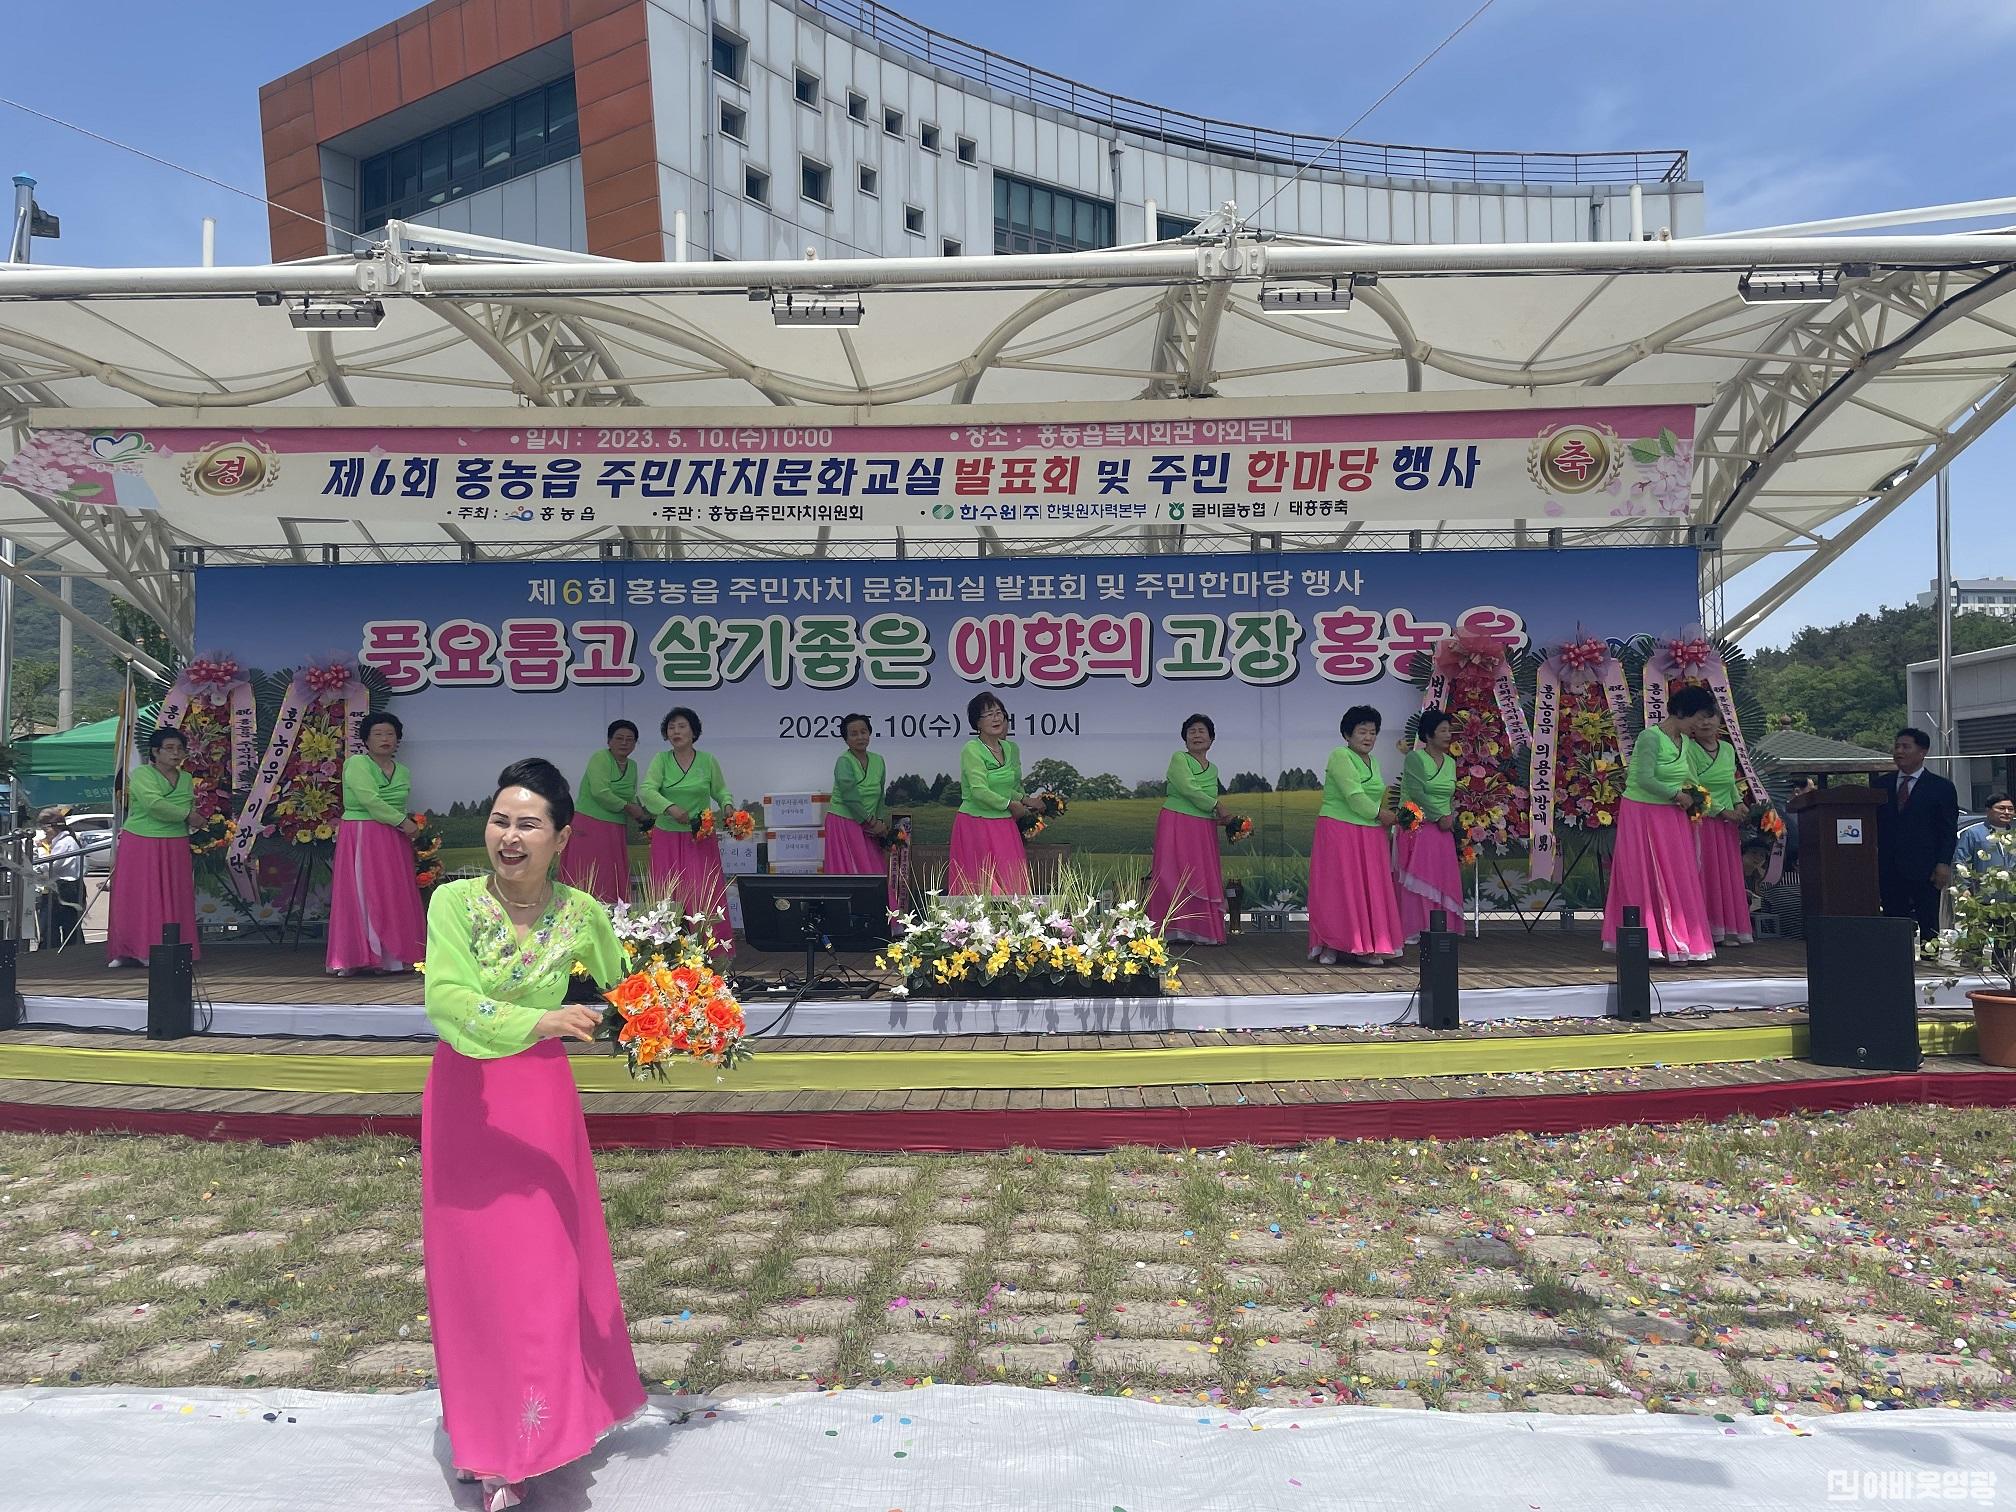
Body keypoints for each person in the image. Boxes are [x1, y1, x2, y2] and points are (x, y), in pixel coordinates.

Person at [420, 758, 643, 1512]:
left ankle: (540, 1433)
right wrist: (541, 1019)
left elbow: (626, 988)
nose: (509, 838)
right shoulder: (454, 903)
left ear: (561, 838)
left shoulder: (582, 914)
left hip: (542, 1102)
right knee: (477, 1277)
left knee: (545, 1271)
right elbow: (447, 999)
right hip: (469, 1103)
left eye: (527, 825)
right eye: (499, 821)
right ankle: (489, 1442)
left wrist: (683, 1010)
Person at [1602, 683, 1719, 963]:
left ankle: (1680, 940)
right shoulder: (1650, 737)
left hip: (1672, 815)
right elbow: (1644, 778)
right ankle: (1651, 942)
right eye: (1697, 717)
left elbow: (1689, 778)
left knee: (1679, 875)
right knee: (1644, 875)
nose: (1700, 724)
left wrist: (1701, 800)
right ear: (1681, 712)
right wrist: (1676, 794)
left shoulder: (1686, 742)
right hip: (1642, 813)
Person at [327, 712, 427, 977]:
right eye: (378, 734)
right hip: (363, 832)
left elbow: (398, 801)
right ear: (366, 740)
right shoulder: (357, 763)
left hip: (393, 837)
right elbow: (369, 800)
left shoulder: (402, 770)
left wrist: (401, 823)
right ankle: (361, 956)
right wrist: (403, 822)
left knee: (393, 891)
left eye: (390, 734)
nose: (385, 739)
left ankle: (395, 957)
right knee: (364, 890)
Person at [1308, 704, 1404, 966]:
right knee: (1339, 888)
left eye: (1373, 732)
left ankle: (1368, 947)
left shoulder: (1374, 761)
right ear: (1347, 734)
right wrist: (1382, 814)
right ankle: (1331, 945)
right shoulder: (1340, 755)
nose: (1368, 737)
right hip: (1340, 829)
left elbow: (1372, 797)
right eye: (1362, 732)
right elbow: (1354, 796)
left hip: (1370, 832)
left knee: (1370, 889)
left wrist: (1386, 818)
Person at [105, 726, 201, 967]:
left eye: (180, 748)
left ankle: (172, 947)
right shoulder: (142, 774)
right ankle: (130, 949)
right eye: (169, 748)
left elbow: (180, 804)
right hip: (142, 840)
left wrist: (182, 813)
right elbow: (154, 804)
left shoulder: (186, 778)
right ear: (155, 752)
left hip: (176, 841)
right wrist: (187, 815)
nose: (176, 753)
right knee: (139, 896)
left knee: (176, 896)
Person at [640, 706, 733, 944]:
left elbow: (720, 790)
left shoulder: (707, 760)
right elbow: (647, 790)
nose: (676, 732)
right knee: (665, 894)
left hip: (699, 836)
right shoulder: (661, 760)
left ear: (694, 732)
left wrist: (728, 806)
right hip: (667, 836)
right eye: (671, 728)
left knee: (704, 892)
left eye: (682, 726)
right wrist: (670, 807)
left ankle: (711, 949)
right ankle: (664, 949)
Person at [1146, 713, 1232, 944]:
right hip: (1177, 821)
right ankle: (1170, 930)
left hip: (1203, 827)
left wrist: (1221, 818)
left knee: (1201, 874)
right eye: (1191, 732)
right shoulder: (1179, 758)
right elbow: (1188, 788)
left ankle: (1201, 931)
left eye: (1202, 731)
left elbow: (1207, 796)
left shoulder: (1213, 769)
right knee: (1171, 872)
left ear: (1211, 739)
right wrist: (1217, 806)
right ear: (1185, 739)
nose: (1196, 735)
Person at [1873, 727, 1960, 949]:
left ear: (1922, 752)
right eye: (1896, 746)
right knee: (1894, 920)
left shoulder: (1941, 787)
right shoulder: (1881, 785)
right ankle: (1896, 959)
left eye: (1905, 747)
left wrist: (1943, 863)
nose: (1899, 751)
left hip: (1926, 867)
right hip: (1889, 866)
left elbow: (1947, 829)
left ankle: (1930, 962)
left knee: (1928, 921)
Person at [948, 691, 1031, 895]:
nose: (996, 718)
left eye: (999, 712)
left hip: (1004, 822)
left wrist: (1025, 800)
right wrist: (1010, 805)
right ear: (977, 722)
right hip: (975, 823)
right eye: (989, 714)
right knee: (979, 886)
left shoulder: (1010, 748)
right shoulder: (972, 749)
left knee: (1013, 882)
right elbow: (979, 790)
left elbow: (1006, 787)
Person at [1394, 707, 1465, 944]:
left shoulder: (1450, 762)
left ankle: (1442, 926)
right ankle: (1416, 927)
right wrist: (1439, 816)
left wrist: (1450, 817)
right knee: (1420, 876)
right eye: (1443, 730)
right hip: (1418, 825)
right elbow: (1417, 792)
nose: (1448, 735)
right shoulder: (1415, 758)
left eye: (1449, 730)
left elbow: (1449, 795)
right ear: (1428, 734)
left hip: (1443, 828)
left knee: (1442, 877)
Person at [1685, 713, 1754, 946]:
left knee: (1726, 875)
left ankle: (1727, 929)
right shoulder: (1688, 749)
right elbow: (1692, 786)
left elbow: (1731, 783)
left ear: (1720, 721)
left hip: (1727, 825)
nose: (1705, 723)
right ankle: (1705, 930)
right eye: (1699, 718)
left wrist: (1739, 804)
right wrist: (1722, 811)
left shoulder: (1727, 749)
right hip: (1701, 820)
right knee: (1705, 873)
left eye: (1710, 717)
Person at [560, 719, 647, 904]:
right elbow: (600, 792)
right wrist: (629, 807)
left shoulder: (632, 765)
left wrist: (643, 817)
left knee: (611, 873)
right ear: (609, 741)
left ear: (635, 744)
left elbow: (630, 795)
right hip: (589, 824)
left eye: (630, 739)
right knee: (586, 874)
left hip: (616, 827)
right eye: (619, 738)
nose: (624, 743)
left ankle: (613, 917)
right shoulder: (600, 757)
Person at [824, 713, 890, 874]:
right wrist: (871, 823)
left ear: (869, 733)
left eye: (864, 732)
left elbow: (880, 795)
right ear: (846, 739)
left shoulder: (878, 760)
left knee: (874, 868)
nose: (860, 737)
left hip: (870, 825)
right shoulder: (844, 761)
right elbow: (850, 797)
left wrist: (879, 822)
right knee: (850, 870)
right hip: (844, 822)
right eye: (854, 734)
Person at [33, 808, 84, 952]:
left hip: (64, 888)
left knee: (53, 925)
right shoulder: (65, 841)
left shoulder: (64, 842)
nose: (44, 832)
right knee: (66, 926)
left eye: (45, 828)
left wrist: (41, 849)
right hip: (66, 887)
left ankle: (54, 954)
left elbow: (50, 865)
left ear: (54, 827)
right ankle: (70, 953)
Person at [1957, 792, 2016, 872]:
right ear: (1988, 810)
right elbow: (1961, 862)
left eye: (2010, 809)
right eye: (2001, 808)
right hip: (1983, 879)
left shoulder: (2013, 834)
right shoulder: (1973, 833)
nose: (2007, 812)